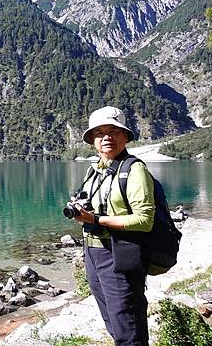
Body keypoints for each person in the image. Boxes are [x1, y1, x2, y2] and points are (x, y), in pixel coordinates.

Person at [72, 106, 155, 346]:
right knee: (112, 321)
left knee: (128, 326)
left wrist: (95, 220)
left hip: (119, 253)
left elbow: (144, 220)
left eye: (113, 131)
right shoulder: (95, 170)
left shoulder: (134, 169)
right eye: (99, 133)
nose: (106, 137)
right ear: (92, 141)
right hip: (92, 253)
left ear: (125, 136)